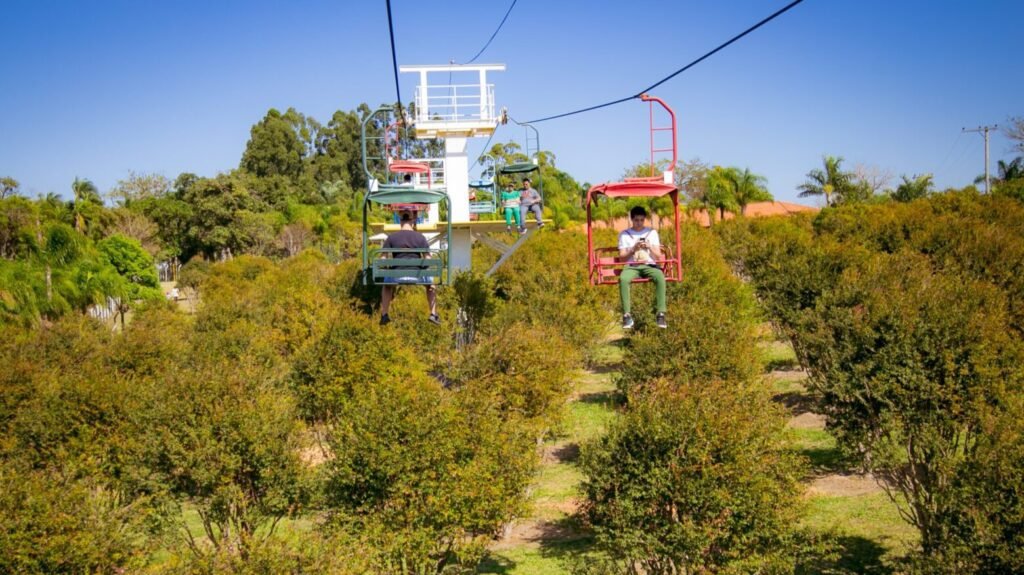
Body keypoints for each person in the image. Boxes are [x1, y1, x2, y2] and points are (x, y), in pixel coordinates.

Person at [379, 210, 440, 326]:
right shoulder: (420, 237)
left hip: (396, 276)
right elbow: (428, 258)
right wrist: (423, 267)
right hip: (417, 276)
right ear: (412, 221)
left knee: (386, 285)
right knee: (431, 284)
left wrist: (386, 266)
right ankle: (433, 313)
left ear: (400, 221)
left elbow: (382, 259)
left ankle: (384, 314)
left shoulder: (391, 238)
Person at [617, 206, 667, 330]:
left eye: (641, 220)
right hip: (632, 266)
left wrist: (649, 246)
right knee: (623, 279)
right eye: (636, 220)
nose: (639, 223)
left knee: (660, 277)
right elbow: (622, 258)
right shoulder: (625, 235)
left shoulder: (652, 233)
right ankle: (627, 315)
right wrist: (633, 249)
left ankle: (661, 313)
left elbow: (658, 255)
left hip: (649, 264)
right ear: (632, 220)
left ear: (644, 220)